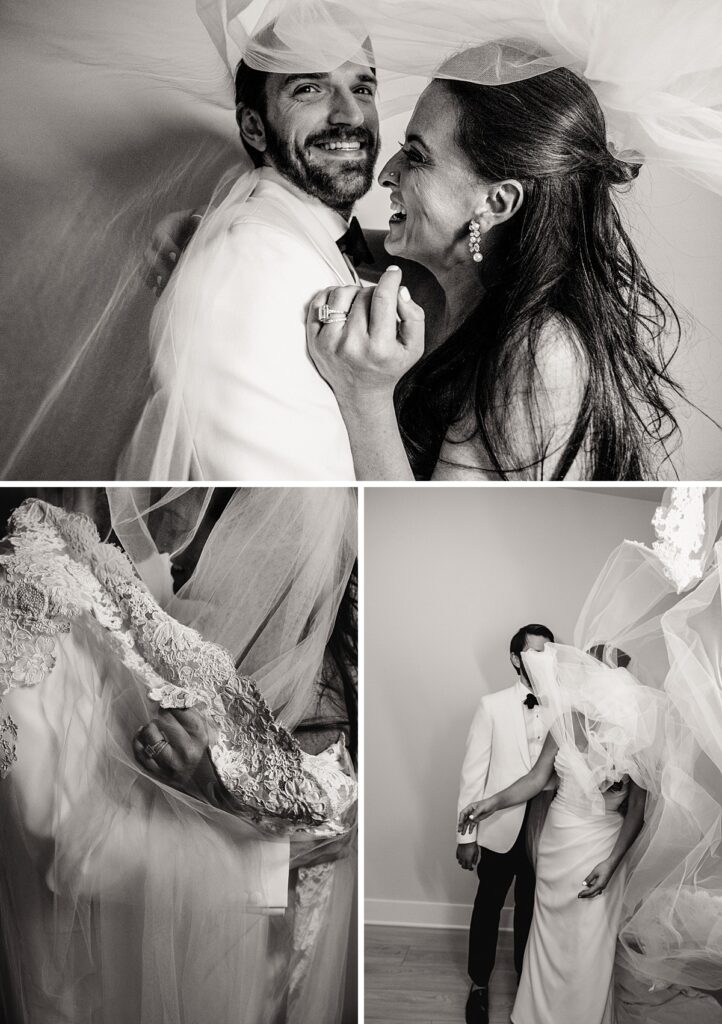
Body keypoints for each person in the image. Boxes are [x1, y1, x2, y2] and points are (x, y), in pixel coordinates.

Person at [0, 487, 357, 1024]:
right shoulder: (39, 592)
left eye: (212, 515)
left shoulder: (311, 680)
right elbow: (58, 828)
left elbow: (333, 815)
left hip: (246, 943)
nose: (177, 554)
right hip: (137, 950)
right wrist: (251, 854)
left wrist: (220, 791)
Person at [118, 7, 385, 480]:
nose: (352, 113)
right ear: (254, 127)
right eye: (310, 88)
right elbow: (278, 510)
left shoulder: (302, 242)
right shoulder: (248, 266)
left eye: (362, 87)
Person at [459, 645, 650, 1024]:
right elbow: (535, 779)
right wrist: (490, 803)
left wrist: (612, 863)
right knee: (547, 935)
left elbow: (637, 814)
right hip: (557, 841)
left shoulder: (638, 737)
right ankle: (533, 1015)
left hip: (600, 848)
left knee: (589, 942)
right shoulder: (565, 721)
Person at [456, 623, 555, 1024]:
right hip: (500, 826)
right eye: (535, 653)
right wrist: (466, 836)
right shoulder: (491, 706)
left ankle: (525, 987)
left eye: (549, 653)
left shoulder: (566, 708)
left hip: (548, 826)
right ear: (516, 659)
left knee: (534, 908)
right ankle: (479, 986)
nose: (543, 660)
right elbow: (472, 775)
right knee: (488, 906)